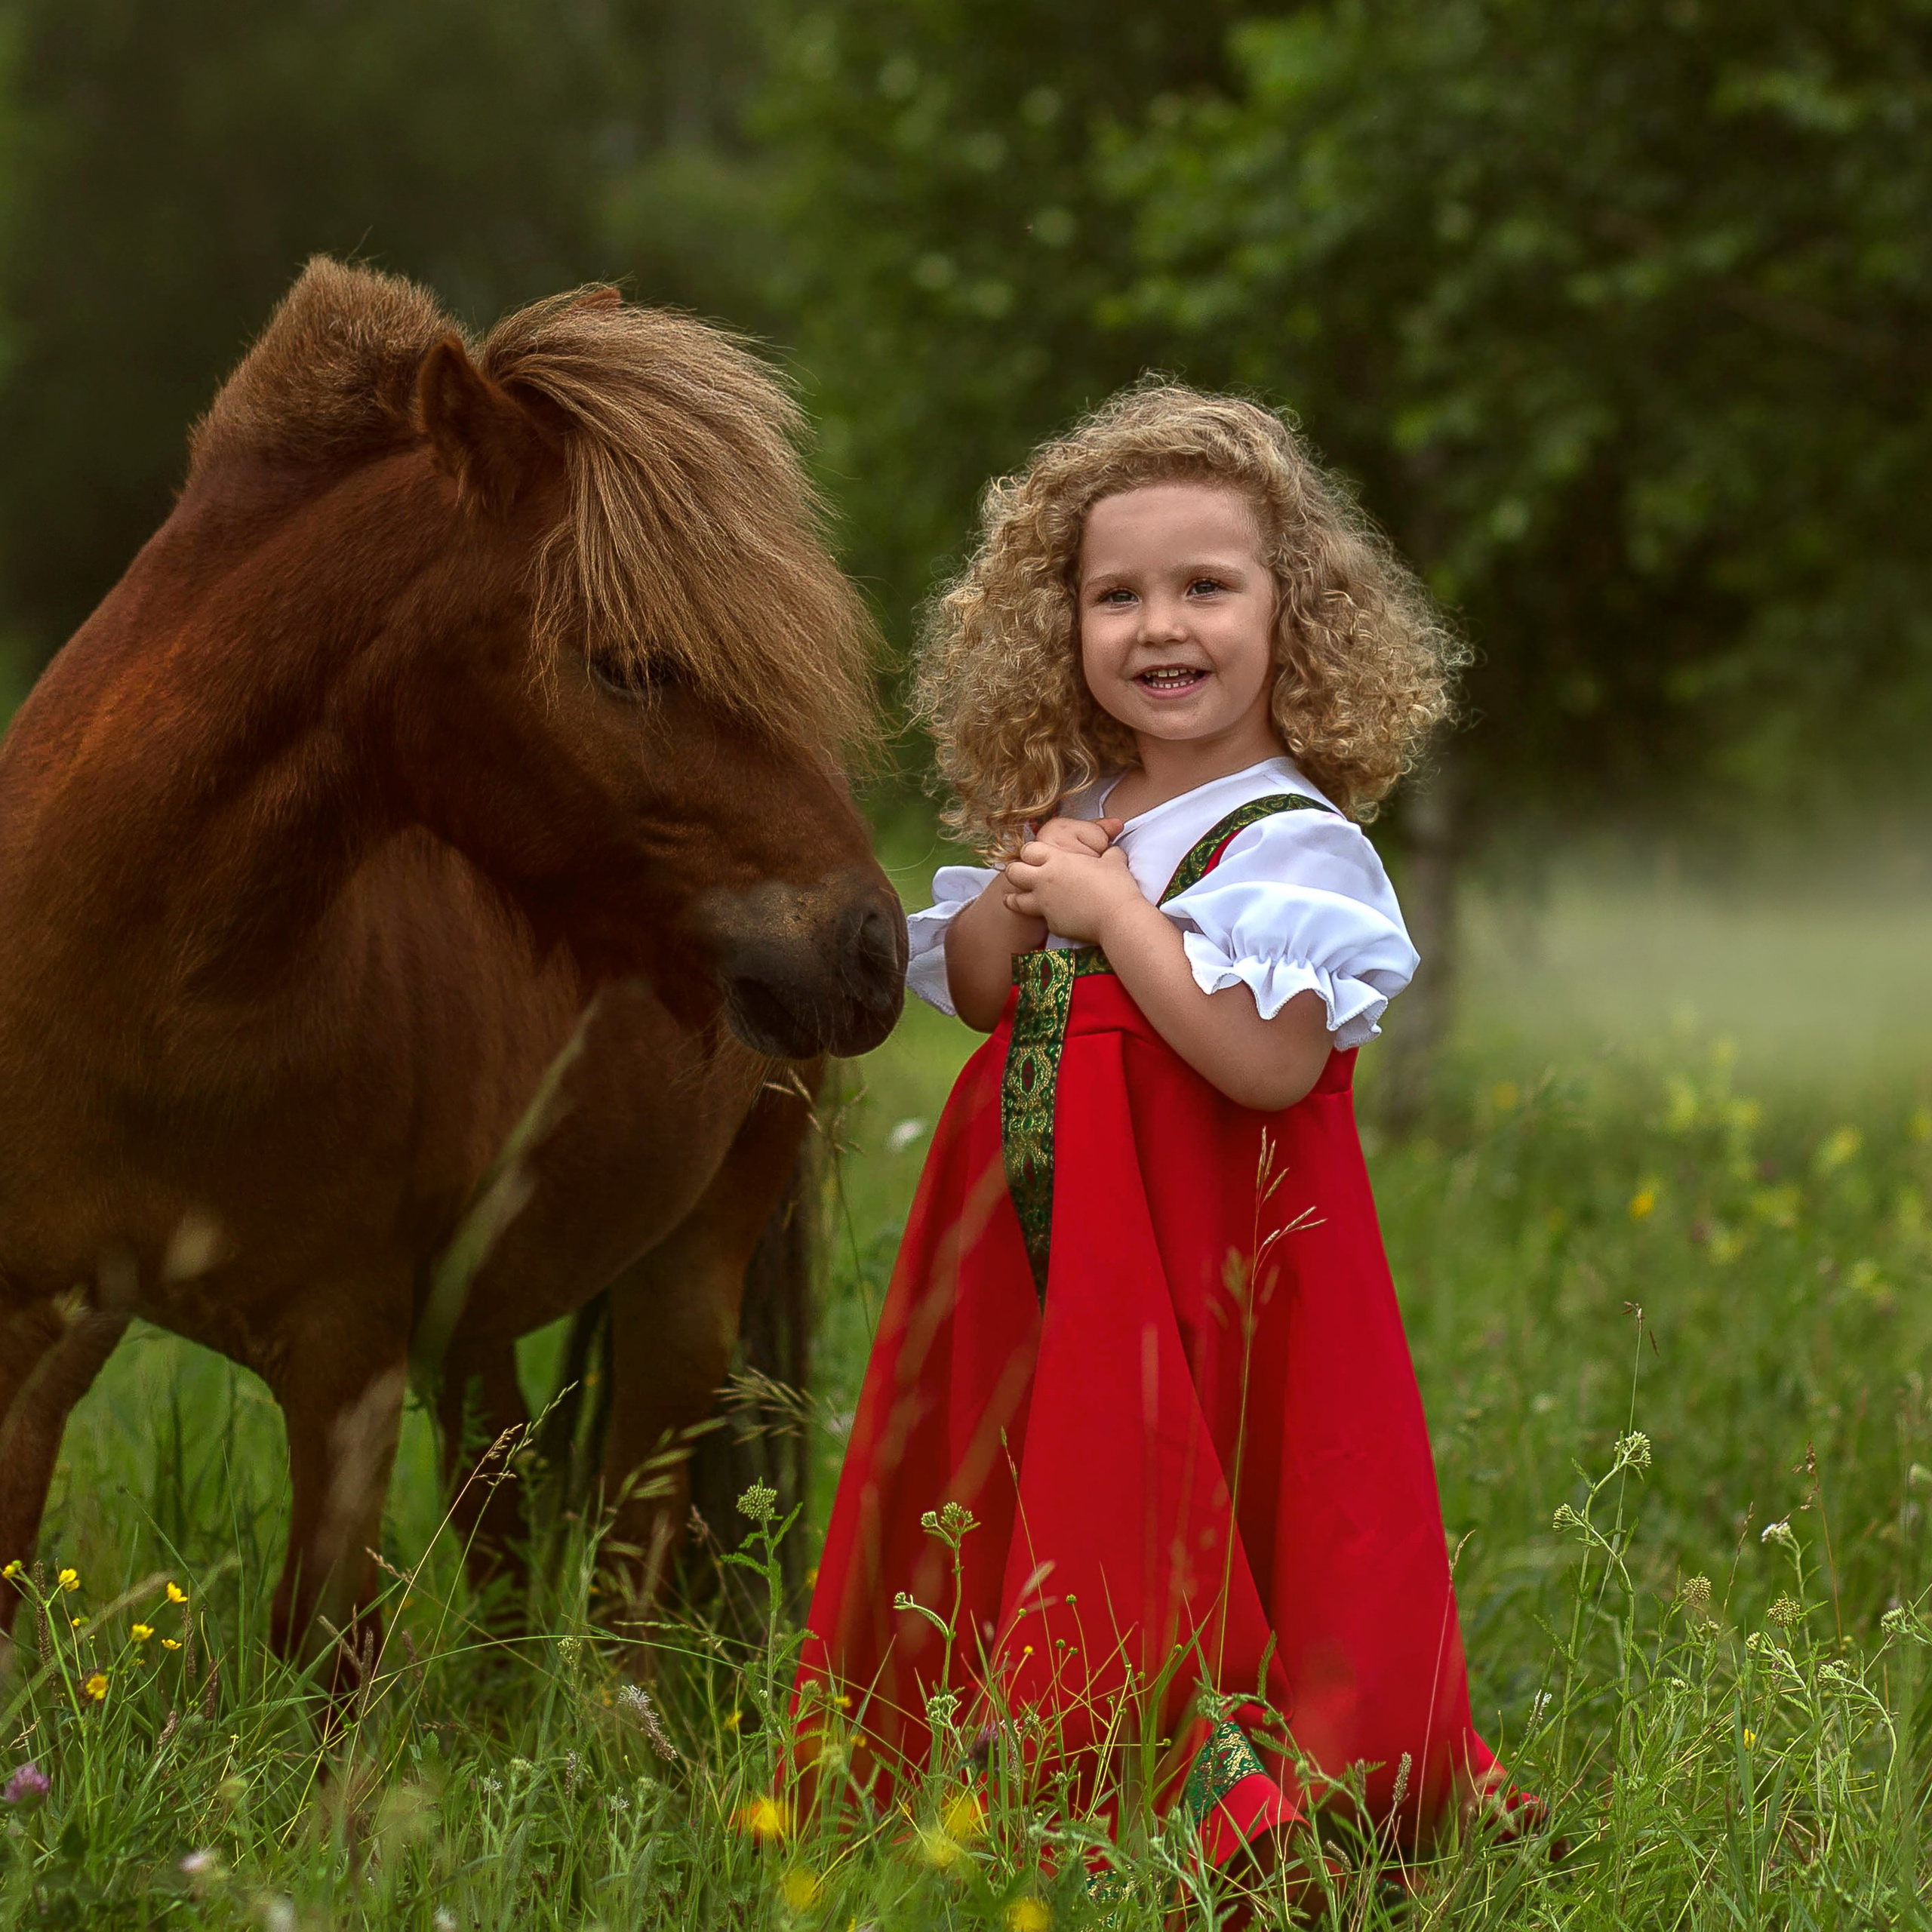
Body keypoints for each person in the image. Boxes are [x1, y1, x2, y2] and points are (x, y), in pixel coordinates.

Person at [794, 384, 1503, 1870]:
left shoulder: (1291, 836)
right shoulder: (1084, 802)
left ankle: (1225, 1793)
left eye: (1203, 586)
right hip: (1040, 1257)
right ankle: (1002, 1766)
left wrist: (1118, 913)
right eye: (1113, 595)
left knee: (1189, 1508)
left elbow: (1260, 1062)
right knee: (1019, 1489)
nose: (1157, 625)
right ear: (1056, 629)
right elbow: (988, 993)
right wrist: (1026, 875)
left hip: (1201, 1266)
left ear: (1287, 613)